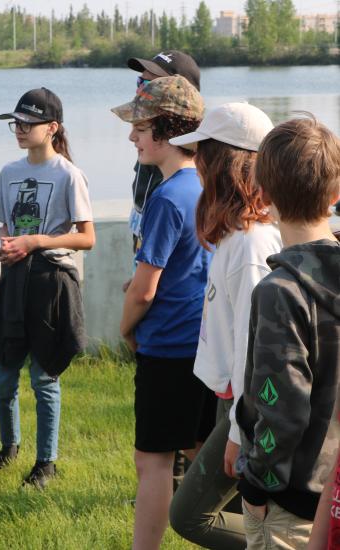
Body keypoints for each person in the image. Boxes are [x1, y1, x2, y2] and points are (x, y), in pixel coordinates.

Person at [166, 103, 280, 549]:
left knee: (191, 516)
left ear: (225, 164)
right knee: (231, 513)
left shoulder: (253, 245)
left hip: (243, 407)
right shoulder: (237, 235)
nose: (195, 165)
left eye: (202, 154)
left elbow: (256, 350)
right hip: (227, 398)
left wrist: (237, 432)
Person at [111, 75, 213, 549]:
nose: (132, 136)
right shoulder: (205, 188)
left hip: (168, 347)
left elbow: (144, 290)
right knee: (202, 452)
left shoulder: (167, 198)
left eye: (140, 126)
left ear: (168, 131)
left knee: (151, 461)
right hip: (205, 345)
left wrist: (126, 328)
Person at [0, 87, 95, 489]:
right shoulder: (8, 173)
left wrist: (37, 241)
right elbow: (4, 224)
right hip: (14, 280)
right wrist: (10, 242)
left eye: (28, 123)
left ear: (53, 127)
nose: (20, 130)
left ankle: (47, 461)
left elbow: (86, 238)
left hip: (51, 283)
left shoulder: (68, 175)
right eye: (16, 123)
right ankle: (9, 448)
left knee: (44, 378)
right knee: (2, 375)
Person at [235, 116, 340, 549]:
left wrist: (258, 488)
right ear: (335, 195)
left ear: (262, 196)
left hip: (291, 502)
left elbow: (282, 407)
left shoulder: (279, 291)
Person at [126, 50, 201, 258]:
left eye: (150, 85)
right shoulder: (150, 145)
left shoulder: (184, 162)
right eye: (140, 82)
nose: (141, 92)